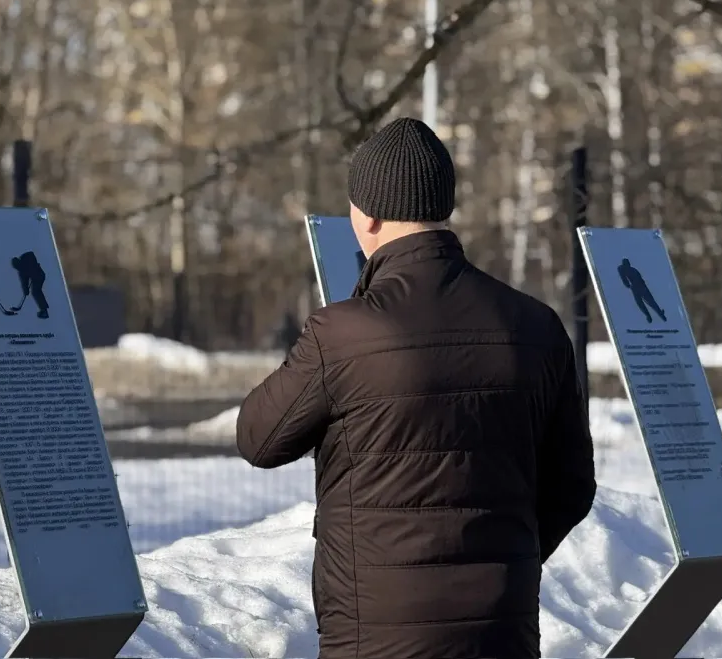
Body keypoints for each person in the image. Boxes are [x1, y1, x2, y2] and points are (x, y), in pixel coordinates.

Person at [236, 117, 596, 659]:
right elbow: (572, 484)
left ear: (369, 213)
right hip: (501, 628)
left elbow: (258, 440)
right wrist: (503, 558)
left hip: (374, 630)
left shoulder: (342, 333)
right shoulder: (537, 326)